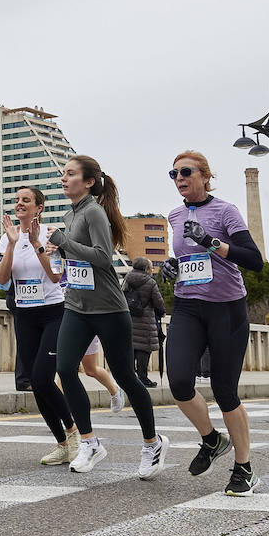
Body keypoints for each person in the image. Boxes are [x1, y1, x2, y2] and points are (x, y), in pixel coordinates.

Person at [49, 155, 165, 479]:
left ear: (88, 182)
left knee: (126, 376)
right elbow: (75, 258)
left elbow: (102, 258)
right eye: (63, 174)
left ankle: (152, 444)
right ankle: (89, 442)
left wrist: (63, 241)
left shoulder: (94, 213)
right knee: (64, 369)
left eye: (70, 174)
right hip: (76, 305)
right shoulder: (69, 215)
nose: (64, 179)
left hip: (109, 308)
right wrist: (57, 250)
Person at [158, 151, 266, 496]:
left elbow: (254, 260)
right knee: (178, 382)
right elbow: (184, 257)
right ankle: (211, 438)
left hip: (226, 308)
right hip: (188, 306)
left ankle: (244, 468)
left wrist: (211, 242)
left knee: (225, 391)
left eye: (186, 172)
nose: (179, 178)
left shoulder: (225, 211)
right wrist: (171, 266)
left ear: (205, 176)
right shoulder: (174, 215)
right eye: (173, 173)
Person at [0, 186, 78, 464]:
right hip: (24, 315)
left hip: (53, 313)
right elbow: (1, 279)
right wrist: (14, 243)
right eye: (17, 200)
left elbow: (56, 276)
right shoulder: (8, 239)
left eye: (26, 200)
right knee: (35, 384)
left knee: (43, 378)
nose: (19, 204)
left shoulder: (50, 234)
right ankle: (62, 444)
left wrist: (35, 242)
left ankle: (76, 433)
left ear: (38, 208)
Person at [124, 257, 165, 388]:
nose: (151, 269)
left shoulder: (127, 279)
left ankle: (129, 378)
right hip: (145, 320)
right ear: (146, 269)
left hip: (129, 318)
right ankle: (143, 378)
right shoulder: (150, 282)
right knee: (144, 349)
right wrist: (162, 311)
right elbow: (158, 302)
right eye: (151, 267)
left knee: (131, 348)